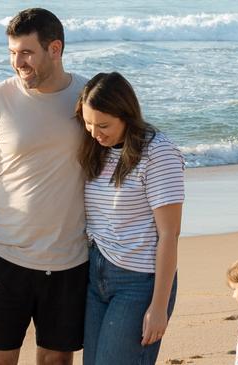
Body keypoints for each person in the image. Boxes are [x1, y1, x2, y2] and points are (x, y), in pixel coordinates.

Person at [0, 7, 89, 365]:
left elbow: (121, 157)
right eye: (12, 53)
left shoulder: (87, 98)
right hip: (5, 257)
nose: (17, 62)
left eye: (26, 52)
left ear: (55, 49)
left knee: (56, 360)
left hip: (70, 261)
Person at [76, 72, 184, 365]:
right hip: (97, 272)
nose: (94, 132)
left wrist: (158, 307)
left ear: (127, 115)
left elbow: (169, 234)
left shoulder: (158, 153)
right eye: (88, 123)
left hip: (138, 282)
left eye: (104, 125)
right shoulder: (96, 149)